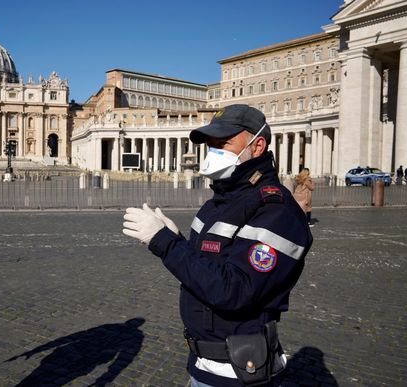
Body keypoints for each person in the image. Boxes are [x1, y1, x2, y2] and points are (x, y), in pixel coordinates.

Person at [122, 104, 312, 386]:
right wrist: (177, 240)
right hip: (203, 364)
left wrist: (165, 243)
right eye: (211, 146)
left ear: (257, 145)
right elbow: (208, 269)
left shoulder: (276, 210)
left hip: (238, 372)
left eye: (223, 144)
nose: (214, 153)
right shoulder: (221, 202)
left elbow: (234, 291)